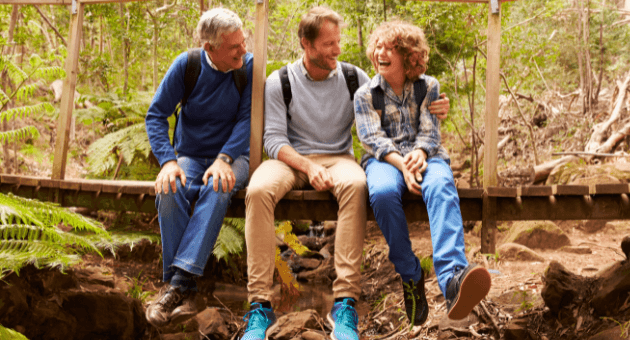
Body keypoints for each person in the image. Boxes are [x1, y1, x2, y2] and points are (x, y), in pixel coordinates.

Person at [240, 8, 450, 340]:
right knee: (257, 190)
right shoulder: (279, 81)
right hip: (290, 160)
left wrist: (435, 105)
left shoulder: (355, 79)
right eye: (329, 44)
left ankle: (345, 303)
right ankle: (259, 306)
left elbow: (395, 100)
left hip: (339, 158)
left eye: (338, 41)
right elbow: (273, 140)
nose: (337, 50)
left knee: (356, 184)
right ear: (306, 45)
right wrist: (308, 167)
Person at [353, 21, 491, 327]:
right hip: (384, 160)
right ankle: (410, 274)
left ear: (409, 55)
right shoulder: (365, 94)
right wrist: (402, 164)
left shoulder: (428, 86)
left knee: (441, 184)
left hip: (426, 155)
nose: (380, 52)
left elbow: (430, 134)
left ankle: (453, 279)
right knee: (384, 193)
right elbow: (372, 139)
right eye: (378, 46)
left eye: (390, 48)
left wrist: (419, 153)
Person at [144, 8, 253, 328]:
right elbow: (156, 115)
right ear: (210, 48)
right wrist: (168, 161)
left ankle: (175, 286)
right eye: (235, 47)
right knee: (169, 187)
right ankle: (189, 289)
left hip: (236, 157)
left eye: (243, 42)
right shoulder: (187, 65)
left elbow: (249, 119)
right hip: (190, 155)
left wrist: (225, 158)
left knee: (218, 185)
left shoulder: (246, 69)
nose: (243, 51)